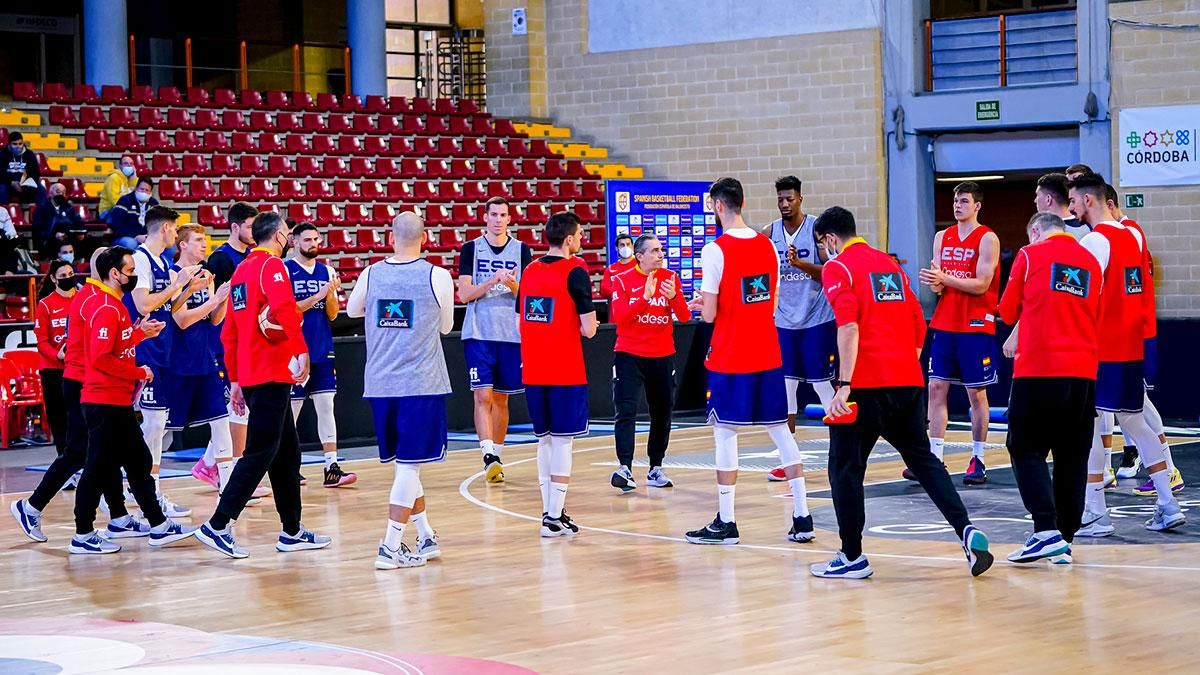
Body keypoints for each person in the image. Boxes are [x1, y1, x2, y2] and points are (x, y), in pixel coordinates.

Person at [810, 206, 993, 579]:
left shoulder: (838, 267)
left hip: (864, 386)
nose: (824, 252)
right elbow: (916, 322)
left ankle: (851, 557)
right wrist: (902, 364)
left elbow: (848, 326)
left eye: (822, 245)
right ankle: (966, 530)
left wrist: (844, 385)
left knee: (844, 470)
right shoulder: (889, 266)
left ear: (830, 239)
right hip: (907, 383)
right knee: (925, 462)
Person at [683, 177, 813, 546]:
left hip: (731, 353)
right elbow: (771, 304)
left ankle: (726, 521)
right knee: (781, 432)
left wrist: (702, 304)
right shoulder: (768, 246)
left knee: (725, 434)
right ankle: (802, 516)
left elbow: (708, 315)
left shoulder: (715, 250)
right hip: (768, 351)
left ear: (718, 206)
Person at [194, 211, 330, 559]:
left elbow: (230, 332)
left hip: (253, 375)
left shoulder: (241, 272)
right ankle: (218, 524)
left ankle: (292, 531)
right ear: (281, 236)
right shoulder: (272, 267)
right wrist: (300, 351)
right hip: (271, 371)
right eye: (286, 233)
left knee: (287, 453)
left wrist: (236, 379)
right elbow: (284, 309)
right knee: (261, 450)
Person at [1068, 174, 1184, 536]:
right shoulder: (1133, 233)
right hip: (1132, 347)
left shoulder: (1093, 242)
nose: (1071, 208)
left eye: (1074, 200)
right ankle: (1167, 503)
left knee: (1090, 431)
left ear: (1089, 200)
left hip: (1101, 351)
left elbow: (1079, 300)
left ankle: (1096, 513)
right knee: (1137, 424)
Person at [70, 246, 194, 554]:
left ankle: (159, 525)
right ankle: (82, 534)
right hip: (103, 399)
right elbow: (99, 358)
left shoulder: (114, 305)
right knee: (98, 467)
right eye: (129, 271)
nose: (134, 275)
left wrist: (140, 335)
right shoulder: (105, 307)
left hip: (115, 399)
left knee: (138, 461)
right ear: (114, 274)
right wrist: (137, 370)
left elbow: (116, 345)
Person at [346, 212, 453, 569]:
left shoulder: (371, 272)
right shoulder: (437, 275)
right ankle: (391, 546)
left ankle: (424, 536)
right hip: (421, 384)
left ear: (390, 236)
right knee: (409, 467)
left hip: (380, 384)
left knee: (406, 467)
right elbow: (447, 325)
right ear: (425, 238)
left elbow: (352, 309)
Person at [11, 248, 135, 542]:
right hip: (78, 381)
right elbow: (97, 353)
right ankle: (34, 507)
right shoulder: (92, 299)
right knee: (81, 451)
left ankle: (118, 515)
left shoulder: (95, 297)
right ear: (109, 270)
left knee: (105, 450)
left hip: (88, 381)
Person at [999, 213, 1101, 564]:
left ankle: (1045, 529)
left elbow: (1007, 310)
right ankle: (1064, 539)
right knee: (1072, 456)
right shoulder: (1091, 262)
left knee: (1024, 447)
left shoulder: (1029, 255)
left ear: (1037, 231)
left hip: (1039, 369)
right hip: (1084, 372)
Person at [519, 211, 598, 537]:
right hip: (564, 369)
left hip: (534, 368)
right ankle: (553, 516)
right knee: (563, 443)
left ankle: (551, 511)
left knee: (545, 441)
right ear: (568, 240)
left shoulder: (529, 270)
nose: (581, 241)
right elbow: (590, 329)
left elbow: (518, 323)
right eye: (579, 236)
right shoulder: (576, 271)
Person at [918, 181, 1000, 485]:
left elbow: (981, 284)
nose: (957, 205)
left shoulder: (987, 237)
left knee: (975, 393)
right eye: (955, 200)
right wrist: (935, 282)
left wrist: (945, 279)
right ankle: (934, 459)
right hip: (945, 322)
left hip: (976, 324)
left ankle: (978, 458)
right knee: (936, 388)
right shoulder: (943, 236)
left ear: (977, 206)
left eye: (964, 201)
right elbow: (940, 285)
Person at [125, 206, 204, 519]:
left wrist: (188, 289)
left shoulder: (160, 262)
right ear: (165, 229)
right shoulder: (141, 259)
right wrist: (176, 286)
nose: (175, 234)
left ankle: (145, 489)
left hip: (163, 347)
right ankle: (146, 491)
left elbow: (169, 308)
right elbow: (143, 304)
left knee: (155, 427)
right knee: (152, 425)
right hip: (144, 349)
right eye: (174, 229)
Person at [1104, 185, 1183, 494]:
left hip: (1134, 334)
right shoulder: (1112, 235)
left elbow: (1134, 288)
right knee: (1115, 408)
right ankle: (1107, 468)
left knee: (1136, 405)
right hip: (1122, 335)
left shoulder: (1128, 233)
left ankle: (1169, 469)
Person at [765, 175, 837, 482]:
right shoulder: (770, 232)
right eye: (780, 199)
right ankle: (789, 459)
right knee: (786, 389)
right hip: (784, 322)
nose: (784, 204)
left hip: (816, 320)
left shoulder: (815, 229)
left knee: (823, 388)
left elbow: (830, 273)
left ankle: (841, 453)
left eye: (789, 199)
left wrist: (801, 264)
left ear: (800, 199)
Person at [458, 196, 532, 483]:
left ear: (509, 219)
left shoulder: (522, 249)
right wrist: (492, 280)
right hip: (479, 332)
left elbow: (527, 296)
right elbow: (464, 295)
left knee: (501, 399)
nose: (498, 219)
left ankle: (497, 459)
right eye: (494, 214)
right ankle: (487, 453)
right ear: (485, 218)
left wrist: (513, 284)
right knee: (482, 395)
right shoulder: (470, 249)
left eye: (503, 215)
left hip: (511, 334)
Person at [608, 233, 690, 492]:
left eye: (661, 250)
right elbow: (621, 319)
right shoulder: (621, 280)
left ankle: (656, 467)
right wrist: (645, 297)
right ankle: (625, 468)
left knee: (662, 413)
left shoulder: (670, 278)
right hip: (629, 354)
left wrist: (675, 296)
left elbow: (685, 316)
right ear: (639, 256)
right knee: (626, 411)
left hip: (662, 355)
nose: (660, 255)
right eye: (654, 251)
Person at [192, 202, 261, 495]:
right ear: (234, 227)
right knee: (236, 409)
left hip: (246, 339)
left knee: (239, 410)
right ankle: (229, 471)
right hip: (222, 342)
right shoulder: (221, 259)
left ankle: (210, 463)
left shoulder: (252, 257)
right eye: (248, 226)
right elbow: (215, 305)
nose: (254, 232)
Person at [163, 224, 235, 495]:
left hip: (204, 358)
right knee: (164, 431)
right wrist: (211, 300)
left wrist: (223, 298)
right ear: (182, 244)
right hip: (178, 361)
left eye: (205, 240)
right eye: (198, 240)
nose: (204, 245)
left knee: (221, 419)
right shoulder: (173, 275)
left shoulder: (207, 274)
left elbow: (214, 319)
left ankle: (228, 484)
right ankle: (141, 480)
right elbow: (180, 320)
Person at [286, 222, 356, 488]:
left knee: (327, 407)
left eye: (316, 239)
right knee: (291, 412)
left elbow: (333, 313)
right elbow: (288, 309)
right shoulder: (284, 270)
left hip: (322, 346)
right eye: (307, 239)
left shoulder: (326, 270)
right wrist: (319, 293)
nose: (313, 243)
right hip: (293, 349)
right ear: (294, 241)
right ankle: (288, 465)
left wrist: (329, 295)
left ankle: (331, 466)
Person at [34, 261, 77, 458]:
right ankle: (65, 464)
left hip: (79, 369)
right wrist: (57, 355)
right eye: (63, 275)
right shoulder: (45, 305)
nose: (69, 278)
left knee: (81, 418)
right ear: (53, 279)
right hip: (54, 371)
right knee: (60, 421)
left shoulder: (83, 299)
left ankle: (86, 464)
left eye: (71, 273)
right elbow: (41, 342)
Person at [32, 182, 86, 257]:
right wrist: (54, 235)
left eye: (63, 192)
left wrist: (81, 232)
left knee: (89, 241)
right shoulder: (42, 208)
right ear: (50, 193)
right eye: (58, 191)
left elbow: (79, 223)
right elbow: (38, 230)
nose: (60, 194)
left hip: (68, 238)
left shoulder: (68, 208)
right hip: (50, 240)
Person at [107, 177, 158, 249]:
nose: (144, 192)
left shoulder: (153, 203)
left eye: (147, 190)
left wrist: (149, 236)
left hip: (146, 238)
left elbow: (158, 223)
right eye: (142, 189)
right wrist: (136, 236)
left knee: (169, 247)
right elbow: (117, 224)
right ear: (136, 188)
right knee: (131, 243)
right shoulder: (124, 201)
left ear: (151, 193)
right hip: (124, 237)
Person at [0, 132, 42, 204]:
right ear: (9, 144)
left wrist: (25, 183)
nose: (18, 146)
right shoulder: (2, 154)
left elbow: (36, 173)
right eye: (15, 144)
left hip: (24, 183)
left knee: (41, 189)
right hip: (7, 183)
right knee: (2, 189)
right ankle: (3, 212)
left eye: (20, 144)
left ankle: (39, 213)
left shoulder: (29, 154)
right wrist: (11, 182)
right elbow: (0, 173)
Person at [600, 233, 637, 299]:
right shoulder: (611, 269)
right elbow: (604, 291)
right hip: (617, 308)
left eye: (628, 244)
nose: (626, 247)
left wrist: (617, 290)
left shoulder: (640, 266)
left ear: (632, 247)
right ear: (617, 248)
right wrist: (627, 290)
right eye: (622, 245)